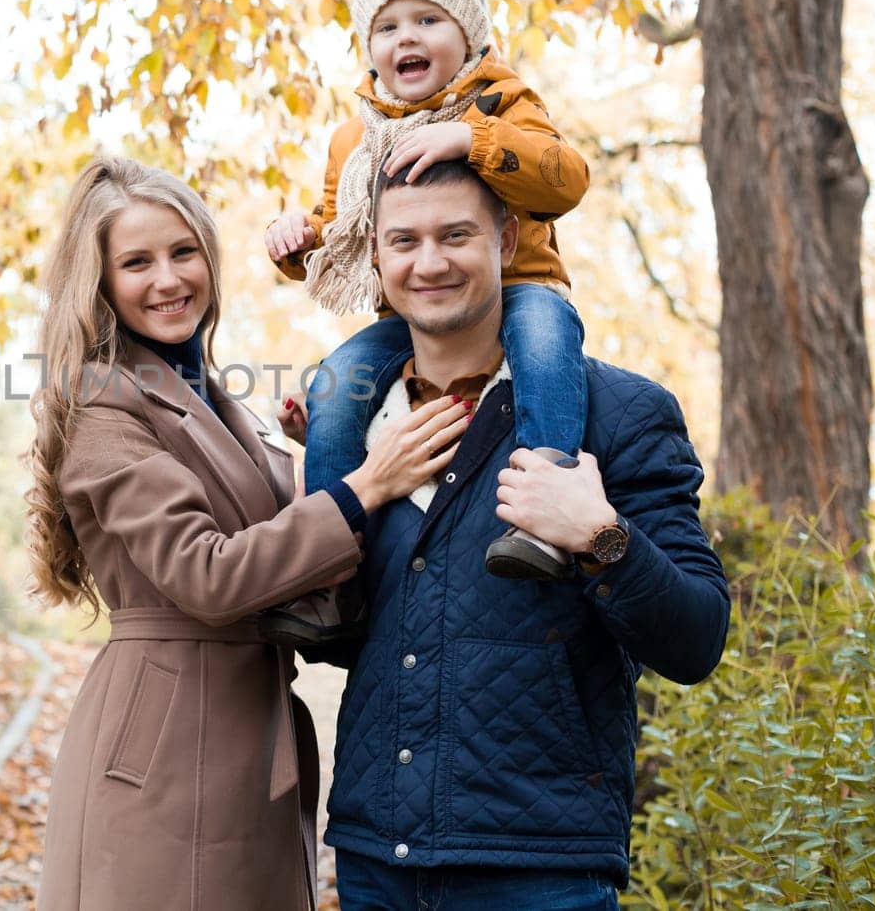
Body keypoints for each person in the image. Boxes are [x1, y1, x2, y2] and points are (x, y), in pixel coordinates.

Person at [27, 155, 471, 911]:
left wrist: (310, 456)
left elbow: (271, 541)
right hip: (167, 735)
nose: (168, 279)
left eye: (183, 251)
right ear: (98, 281)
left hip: (246, 720)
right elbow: (209, 574)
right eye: (136, 262)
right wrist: (371, 481)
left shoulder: (210, 391)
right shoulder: (104, 405)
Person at [293, 157, 729, 910]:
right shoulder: (353, 421)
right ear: (377, 256)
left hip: (542, 871)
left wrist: (600, 533)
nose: (429, 262)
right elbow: (333, 638)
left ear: (506, 239)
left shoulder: (619, 412)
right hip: (373, 861)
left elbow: (697, 638)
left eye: (455, 234)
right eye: (405, 241)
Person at [261, 0, 592, 646]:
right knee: (335, 383)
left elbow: (565, 179)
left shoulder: (501, 100)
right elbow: (338, 231)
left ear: (468, 32)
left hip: (522, 287)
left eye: (428, 20)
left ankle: (541, 511)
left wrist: (471, 137)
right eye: (387, 25)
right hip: (406, 317)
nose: (406, 36)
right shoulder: (356, 136)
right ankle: (332, 572)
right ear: (368, 46)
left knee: (546, 345)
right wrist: (294, 242)